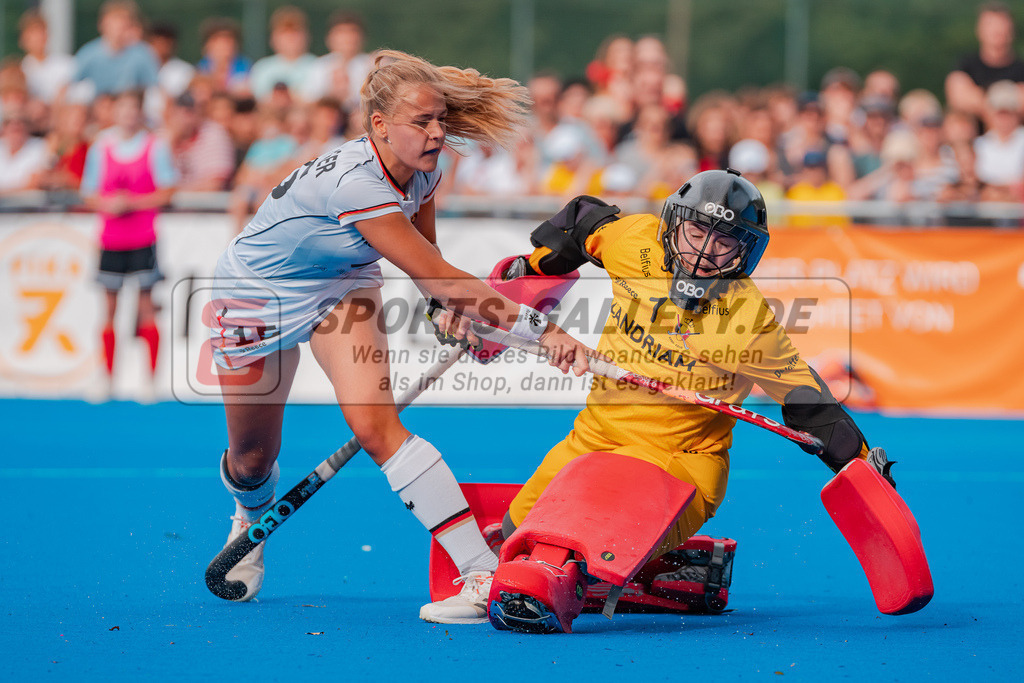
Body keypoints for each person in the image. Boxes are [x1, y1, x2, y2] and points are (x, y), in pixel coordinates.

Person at [207, 50, 597, 624]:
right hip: (254, 294)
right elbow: (437, 273)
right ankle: (249, 514)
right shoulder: (354, 185)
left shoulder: (427, 168)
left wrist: (444, 308)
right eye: (423, 122)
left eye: (441, 119)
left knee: (376, 427)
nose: (438, 132)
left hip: (340, 285)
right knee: (252, 457)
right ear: (379, 126)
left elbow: (430, 265)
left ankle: (479, 571)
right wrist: (542, 330)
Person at [433, 170, 887, 632]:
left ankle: (590, 571)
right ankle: (673, 572)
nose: (704, 253)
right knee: (511, 541)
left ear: (746, 253)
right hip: (594, 439)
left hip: (679, 467)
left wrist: (866, 464)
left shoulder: (748, 319)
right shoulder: (635, 241)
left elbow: (809, 404)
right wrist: (533, 271)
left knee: (555, 557)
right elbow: (583, 220)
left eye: (724, 242)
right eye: (696, 231)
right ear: (672, 225)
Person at [80, 89, 177, 395]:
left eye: (132, 108)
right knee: (109, 308)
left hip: (143, 236)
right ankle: (107, 379)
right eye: (122, 108)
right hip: (110, 238)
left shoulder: (154, 146)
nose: (127, 114)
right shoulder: (101, 146)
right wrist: (109, 204)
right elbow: (89, 192)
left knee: (147, 306)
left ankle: (151, 381)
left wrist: (132, 202)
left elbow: (167, 189)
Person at [945, 2, 1024, 120]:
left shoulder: (1021, 68)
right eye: (991, 25)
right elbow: (958, 96)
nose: (997, 31)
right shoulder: (966, 66)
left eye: (1002, 25)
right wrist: (1008, 103)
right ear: (979, 30)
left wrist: (981, 99)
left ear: (1012, 30)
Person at [71, 0, 159, 97]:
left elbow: (155, 89)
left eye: (125, 19)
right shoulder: (88, 53)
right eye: (116, 19)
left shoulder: (142, 53)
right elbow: (69, 86)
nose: (120, 25)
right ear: (102, 23)